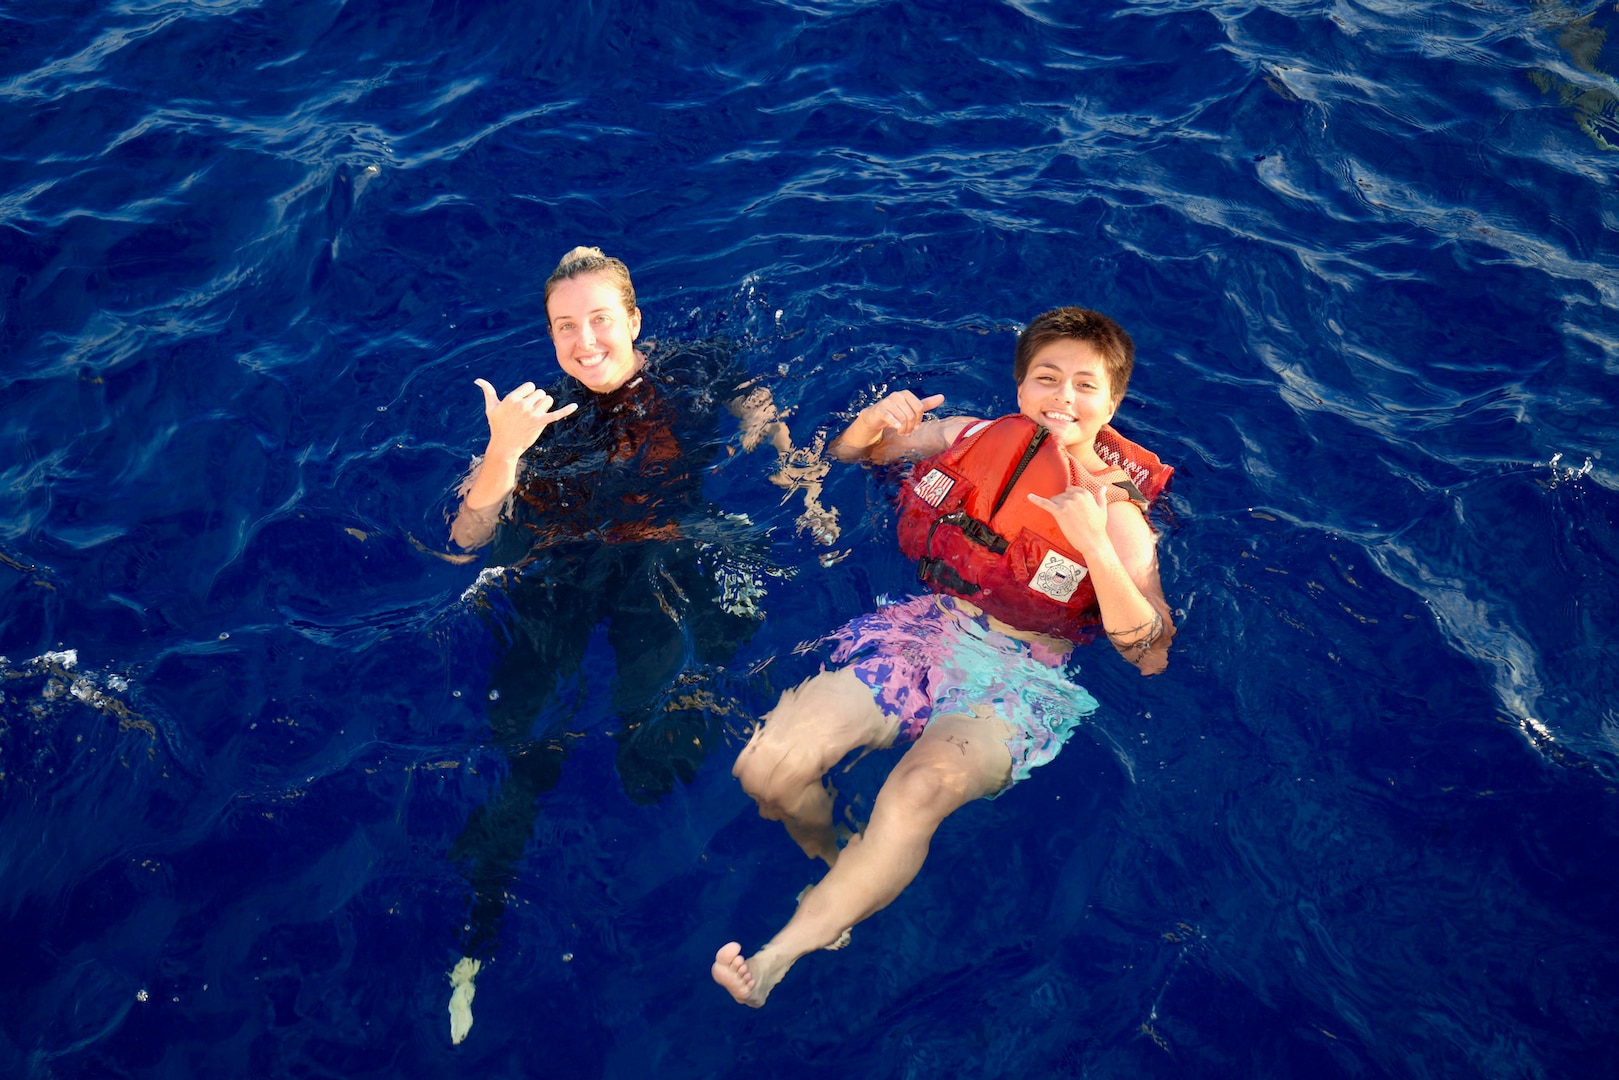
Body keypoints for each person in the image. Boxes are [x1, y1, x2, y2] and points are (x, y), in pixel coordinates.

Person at [711, 306, 1175, 1008]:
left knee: (916, 791)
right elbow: (853, 458)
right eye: (1046, 379)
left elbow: (1151, 653)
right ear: (1020, 388)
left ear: (1111, 403)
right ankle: (842, 864)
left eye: (1084, 386)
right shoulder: (970, 435)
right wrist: (868, 429)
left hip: (1018, 680)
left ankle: (780, 954)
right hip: (924, 634)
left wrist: (1098, 549)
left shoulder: (1118, 516)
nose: (1062, 399)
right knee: (766, 768)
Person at [444, 246, 832, 1041]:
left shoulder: (696, 367)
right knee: (520, 744)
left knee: (649, 743)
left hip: (659, 553)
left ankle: (688, 895)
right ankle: (477, 932)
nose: (584, 343)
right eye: (563, 328)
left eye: (598, 321)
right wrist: (502, 451)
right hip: (555, 568)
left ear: (633, 321)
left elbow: (759, 408)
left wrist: (797, 470)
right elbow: (463, 539)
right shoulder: (533, 415)